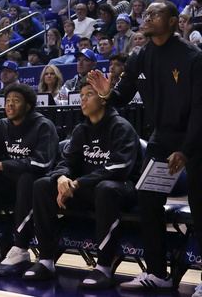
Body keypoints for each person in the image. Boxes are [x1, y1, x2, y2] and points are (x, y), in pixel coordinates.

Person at [87, 0, 202, 293]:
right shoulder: (140, 56)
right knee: (148, 199)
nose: (147, 17)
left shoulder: (192, 57)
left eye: (156, 13)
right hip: (162, 140)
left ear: (174, 21)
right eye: (146, 13)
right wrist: (105, 93)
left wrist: (186, 150)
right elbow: (122, 97)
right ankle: (157, 273)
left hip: (196, 139)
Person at [22, 82, 142, 288]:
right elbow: (67, 161)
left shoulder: (121, 127)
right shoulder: (81, 129)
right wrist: (61, 179)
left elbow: (119, 168)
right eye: (82, 94)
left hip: (122, 187)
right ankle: (46, 261)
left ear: (103, 99)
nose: (83, 99)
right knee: (43, 185)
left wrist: (76, 184)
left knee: (106, 187)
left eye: (90, 94)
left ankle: (104, 267)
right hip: (88, 188)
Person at [0, 83, 58, 272]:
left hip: (38, 188)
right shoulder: (2, 125)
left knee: (27, 178)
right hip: (10, 186)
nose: (10, 105)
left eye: (16, 101)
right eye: (7, 101)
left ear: (28, 106)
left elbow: (42, 164)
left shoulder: (43, 126)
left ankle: (21, 249)